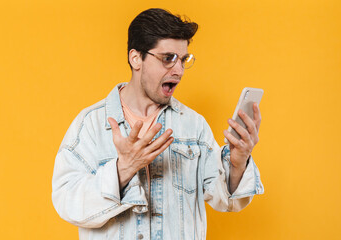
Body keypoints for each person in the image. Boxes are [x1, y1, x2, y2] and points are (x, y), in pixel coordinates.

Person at [52, 8, 264, 240]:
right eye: (168, 58)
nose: (179, 70)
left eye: (183, 60)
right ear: (136, 58)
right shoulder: (91, 124)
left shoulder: (194, 126)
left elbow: (226, 201)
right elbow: (67, 203)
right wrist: (123, 170)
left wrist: (238, 162)